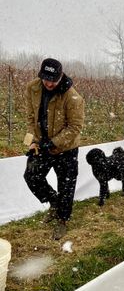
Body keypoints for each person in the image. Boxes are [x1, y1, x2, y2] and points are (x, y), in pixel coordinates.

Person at [24, 58, 85, 240]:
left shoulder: (73, 97)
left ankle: (62, 220)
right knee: (32, 176)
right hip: (41, 143)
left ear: (60, 77)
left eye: (53, 80)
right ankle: (54, 202)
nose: (49, 83)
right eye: (46, 79)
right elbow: (29, 117)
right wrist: (30, 141)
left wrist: (52, 143)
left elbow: (75, 128)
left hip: (66, 148)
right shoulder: (33, 88)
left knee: (66, 184)